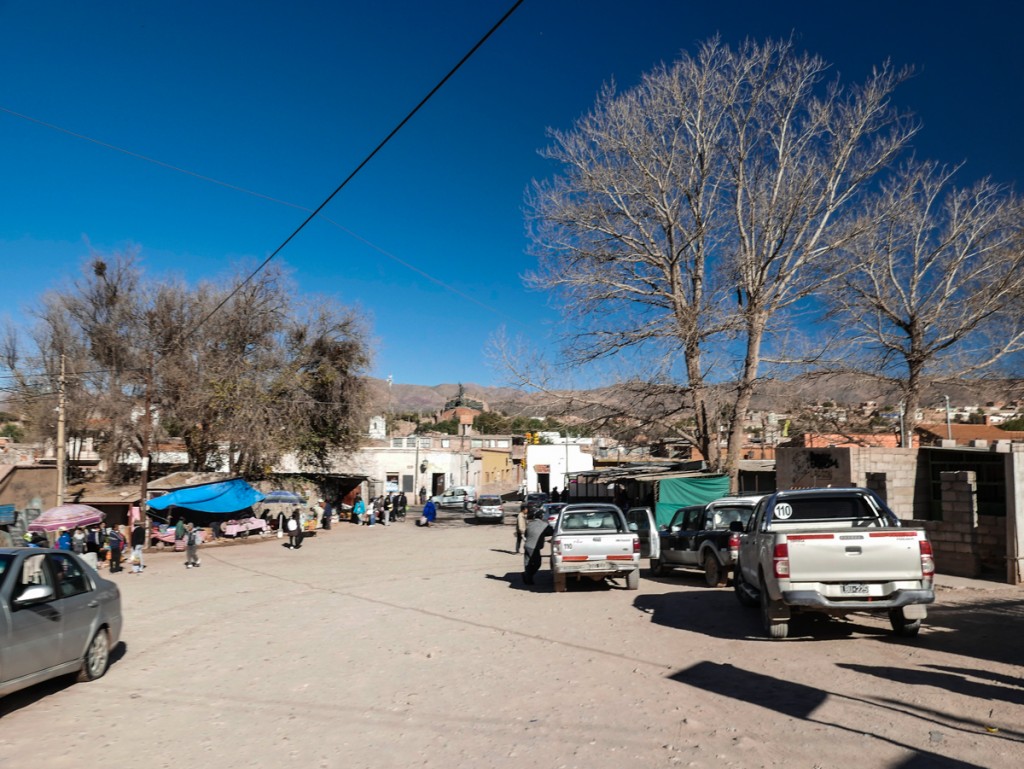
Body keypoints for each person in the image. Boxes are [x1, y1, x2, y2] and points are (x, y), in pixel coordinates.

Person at [522, 508, 554, 586]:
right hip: (534, 547)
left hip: (527, 546)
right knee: (537, 563)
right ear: (541, 516)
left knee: (527, 564)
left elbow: (526, 534)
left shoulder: (530, 523)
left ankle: (528, 578)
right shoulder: (544, 525)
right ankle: (528, 577)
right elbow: (551, 532)